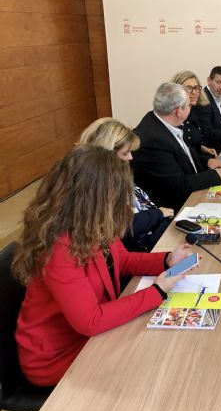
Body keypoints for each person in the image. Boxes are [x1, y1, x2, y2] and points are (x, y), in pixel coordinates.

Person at [12, 145, 195, 386]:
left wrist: (167, 260)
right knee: (152, 367)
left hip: (90, 335)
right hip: (58, 355)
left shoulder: (90, 224)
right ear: (96, 199)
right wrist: (157, 291)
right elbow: (91, 320)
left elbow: (122, 260)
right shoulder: (58, 248)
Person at [131, 82, 221, 213]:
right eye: (188, 106)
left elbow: (182, 155)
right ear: (178, 111)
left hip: (189, 195)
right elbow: (179, 186)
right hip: (175, 209)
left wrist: (207, 161)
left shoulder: (164, 121)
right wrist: (217, 175)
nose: (191, 108)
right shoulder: (153, 140)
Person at [78, 118, 174, 252]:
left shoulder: (119, 175)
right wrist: (158, 214)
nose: (131, 157)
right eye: (125, 153)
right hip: (140, 250)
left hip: (157, 235)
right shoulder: (98, 187)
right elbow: (123, 227)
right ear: (107, 154)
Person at [169, 70, 216, 156]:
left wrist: (202, 148)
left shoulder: (194, 110)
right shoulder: (173, 116)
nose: (194, 92)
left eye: (196, 88)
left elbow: (190, 142)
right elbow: (180, 151)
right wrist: (207, 161)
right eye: (188, 88)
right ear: (176, 90)